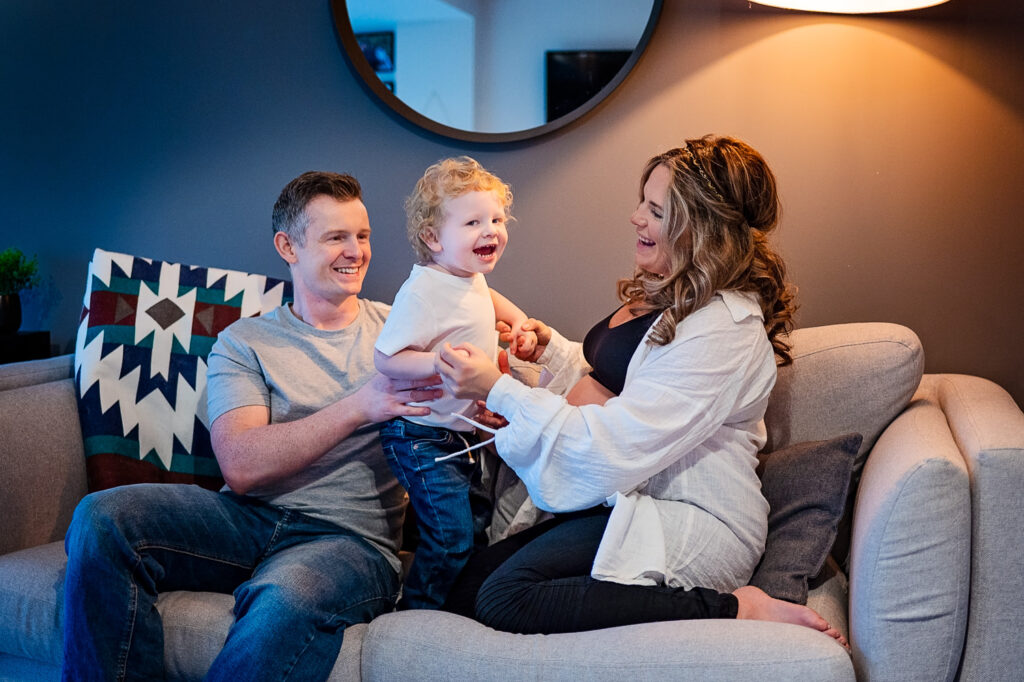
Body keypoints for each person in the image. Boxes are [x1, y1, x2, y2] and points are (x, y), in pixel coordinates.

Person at [436, 135, 847, 646]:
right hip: (635, 494)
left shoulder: (725, 330)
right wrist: (547, 355)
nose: (635, 218)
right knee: (465, 592)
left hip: (695, 518)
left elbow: (619, 438)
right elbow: (627, 381)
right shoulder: (681, 293)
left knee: (505, 597)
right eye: (642, 202)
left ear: (700, 229)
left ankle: (734, 607)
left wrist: (498, 390)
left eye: (654, 210)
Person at [61, 171, 442, 681]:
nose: (356, 251)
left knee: (284, 599)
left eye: (363, 235)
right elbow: (241, 465)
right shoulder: (246, 342)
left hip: (348, 542)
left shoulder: (401, 336)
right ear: (288, 245)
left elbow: (474, 377)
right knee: (103, 516)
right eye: (336, 237)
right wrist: (361, 405)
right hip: (244, 519)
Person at [373, 156, 536, 609]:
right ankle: (414, 614)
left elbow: (489, 300)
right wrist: (440, 364)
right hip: (421, 435)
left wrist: (518, 322)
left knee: (476, 525)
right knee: (450, 538)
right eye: (472, 222)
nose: (490, 231)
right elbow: (386, 359)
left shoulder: (468, 276)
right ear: (433, 238)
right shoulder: (424, 289)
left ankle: (457, 608)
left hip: (462, 434)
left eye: (497, 219)